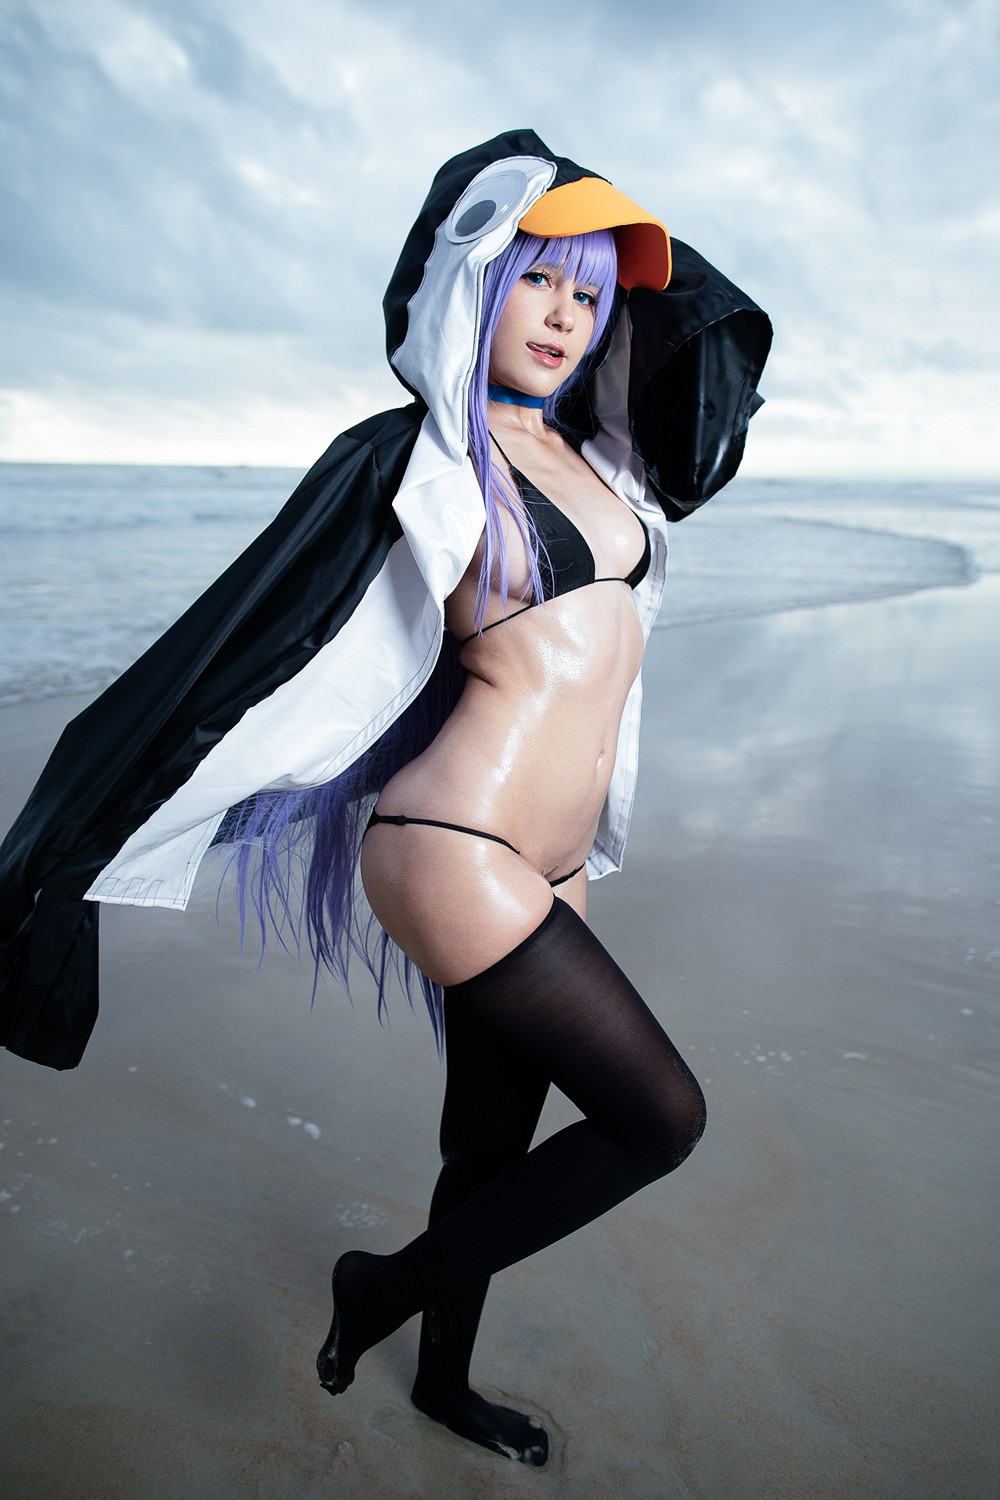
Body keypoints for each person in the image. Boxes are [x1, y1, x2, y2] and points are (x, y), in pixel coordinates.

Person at [0, 131, 771, 1465]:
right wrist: (72, 843)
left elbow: (702, 349)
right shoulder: (421, 458)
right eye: (539, 281)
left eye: (590, 297)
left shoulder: (609, 462)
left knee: (488, 1147)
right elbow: (235, 639)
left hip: (553, 861)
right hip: (455, 844)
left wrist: (593, 215)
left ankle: (441, 1385)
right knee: (661, 1117)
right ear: (482, 280)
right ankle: (379, 1291)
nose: (564, 317)